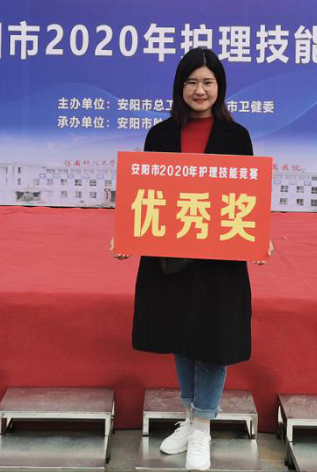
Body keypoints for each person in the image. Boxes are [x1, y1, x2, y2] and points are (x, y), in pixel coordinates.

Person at [113, 47, 271, 471]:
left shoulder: (236, 137)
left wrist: (258, 236)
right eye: (191, 82)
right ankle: (189, 417)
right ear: (179, 87)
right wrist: (129, 233)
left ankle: (202, 427)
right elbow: (146, 193)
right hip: (171, 256)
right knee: (180, 335)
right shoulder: (160, 135)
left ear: (220, 88)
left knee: (213, 341)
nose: (200, 90)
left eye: (208, 82)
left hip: (219, 258)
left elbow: (246, 196)